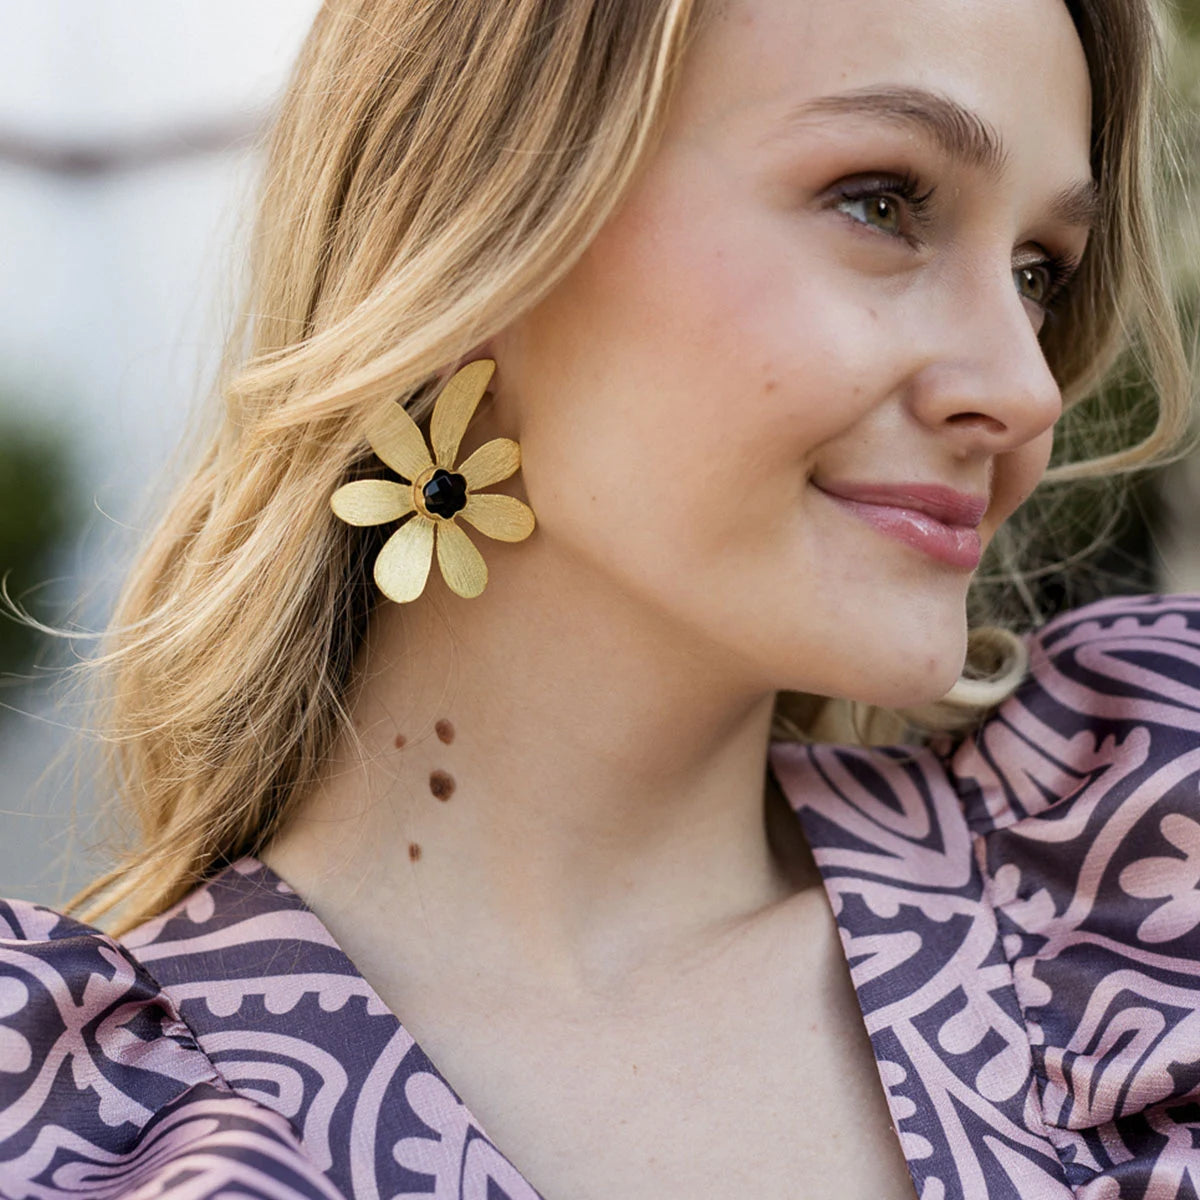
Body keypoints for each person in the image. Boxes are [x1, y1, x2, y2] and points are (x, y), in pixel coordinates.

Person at [1, 0, 1196, 1196]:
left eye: (1040, 271)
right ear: (474, 229)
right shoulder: (88, 1136)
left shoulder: (1142, 898)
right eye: (880, 201)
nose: (1026, 387)